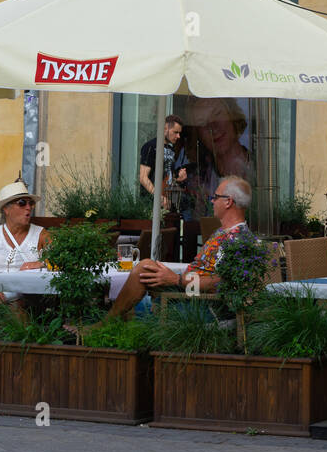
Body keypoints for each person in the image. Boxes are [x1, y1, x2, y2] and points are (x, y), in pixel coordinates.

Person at [106, 175, 252, 319]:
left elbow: (220, 283)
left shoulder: (237, 239)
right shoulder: (223, 232)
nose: (212, 201)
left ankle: (106, 324)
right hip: (190, 291)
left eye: (216, 197)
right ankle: (110, 323)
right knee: (146, 269)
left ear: (228, 202)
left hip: (204, 303)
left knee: (144, 271)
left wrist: (176, 280)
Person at [0, 181, 51, 302]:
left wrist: (41, 263)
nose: (28, 207)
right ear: (6, 209)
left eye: (31, 203)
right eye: (22, 203)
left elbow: (61, 259)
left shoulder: (41, 234)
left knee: (18, 308)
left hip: (27, 294)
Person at [139, 114, 189, 212]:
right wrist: (159, 198)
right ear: (165, 129)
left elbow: (168, 178)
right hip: (151, 206)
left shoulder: (171, 150)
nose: (178, 136)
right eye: (175, 132)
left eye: (179, 133)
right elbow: (143, 178)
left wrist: (178, 179)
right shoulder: (151, 147)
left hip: (168, 204)